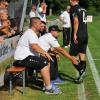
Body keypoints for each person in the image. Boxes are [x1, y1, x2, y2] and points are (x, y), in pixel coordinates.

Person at [13, 17, 62, 95]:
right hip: (21, 59)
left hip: (26, 58)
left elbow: (37, 47)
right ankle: (48, 89)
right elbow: (34, 47)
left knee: (46, 60)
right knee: (44, 62)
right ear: (35, 24)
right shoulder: (30, 33)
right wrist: (45, 53)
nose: (41, 25)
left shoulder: (32, 33)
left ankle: (46, 84)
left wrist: (47, 53)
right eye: (40, 24)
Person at [69, 0, 88, 82]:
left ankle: (82, 71)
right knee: (82, 56)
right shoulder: (84, 9)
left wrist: (74, 34)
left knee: (72, 56)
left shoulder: (73, 8)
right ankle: (81, 76)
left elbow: (76, 20)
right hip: (85, 35)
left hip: (78, 35)